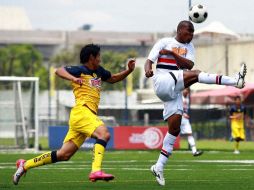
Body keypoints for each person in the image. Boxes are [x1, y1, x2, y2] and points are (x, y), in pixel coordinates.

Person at [13, 44, 136, 185]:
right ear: (91, 57)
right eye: (99, 56)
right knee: (104, 134)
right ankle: (96, 170)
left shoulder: (99, 71)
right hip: (82, 112)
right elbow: (59, 71)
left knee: (64, 155)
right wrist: (73, 78)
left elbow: (113, 78)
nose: (100, 59)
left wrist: (129, 71)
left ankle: (25, 164)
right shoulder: (80, 70)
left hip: (82, 117)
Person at [144, 20, 247, 186]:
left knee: (174, 129)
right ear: (179, 30)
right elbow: (149, 60)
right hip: (162, 81)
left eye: (192, 33)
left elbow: (188, 64)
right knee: (197, 75)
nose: (191, 35)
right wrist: (147, 69)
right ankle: (235, 81)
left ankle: (158, 166)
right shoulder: (164, 42)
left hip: (174, 90)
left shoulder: (190, 47)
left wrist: (172, 54)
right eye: (188, 32)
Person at [180, 88, 203, 156]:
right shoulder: (179, 97)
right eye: (186, 90)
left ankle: (194, 151)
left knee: (189, 134)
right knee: (172, 134)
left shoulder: (187, 98)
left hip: (185, 119)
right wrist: (183, 114)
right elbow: (176, 107)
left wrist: (184, 114)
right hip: (178, 117)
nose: (187, 92)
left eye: (188, 90)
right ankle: (165, 150)